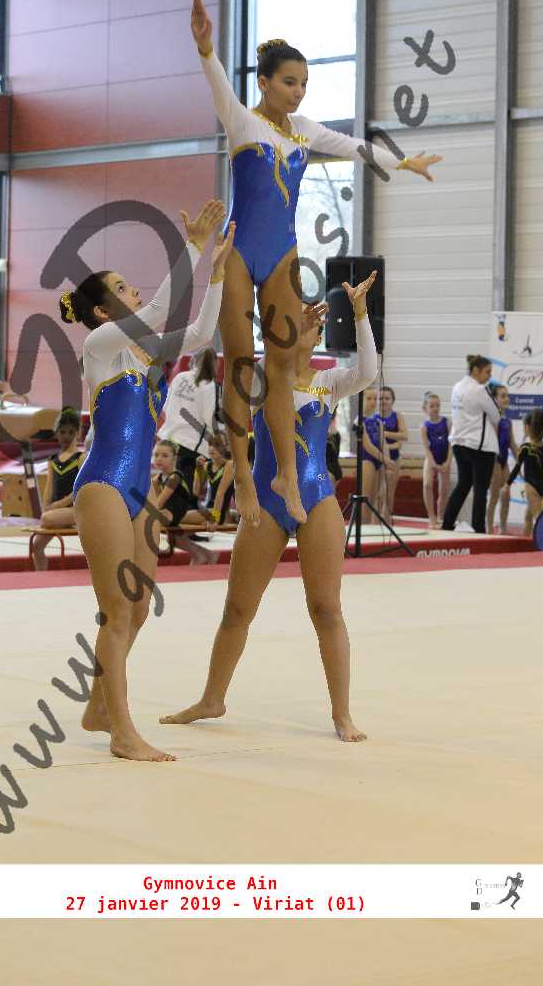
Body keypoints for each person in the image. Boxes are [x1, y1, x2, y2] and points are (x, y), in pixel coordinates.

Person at [190, 0, 441, 532]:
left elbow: (354, 147)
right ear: (264, 82)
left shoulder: (303, 129)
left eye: (303, 83)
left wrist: (404, 162)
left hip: (282, 252)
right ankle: (241, 473)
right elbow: (217, 87)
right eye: (289, 82)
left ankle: (285, 473)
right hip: (239, 252)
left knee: (282, 364)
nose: (298, 91)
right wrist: (206, 49)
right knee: (241, 365)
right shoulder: (242, 121)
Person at [160, 271, 379, 743]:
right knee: (238, 608)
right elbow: (242, 409)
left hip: (317, 497)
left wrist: (360, 312)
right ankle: (212, 698)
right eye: (300, 320)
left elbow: (368, 372)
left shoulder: (328, 382)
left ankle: (342, 713)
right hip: (266, 499)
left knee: (326, 607)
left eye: (316, 323)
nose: (312, 324)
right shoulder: (262, 375)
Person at [61, 200, 234, 762]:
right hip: (103, 485)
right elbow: (160, 307)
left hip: (136, 491)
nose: (133, 290)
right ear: (103, 309)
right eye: (122, 287)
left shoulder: (142, 354)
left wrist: (217, 276)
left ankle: (97, 705)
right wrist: (194, 244)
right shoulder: (99, 348)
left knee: (137, 609)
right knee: (117, 612)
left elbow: (201, 334)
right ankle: (122, 732)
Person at [441, 354, 501, 534]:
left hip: (459, 444)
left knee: (463, 484)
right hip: (479, 447)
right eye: (487, 372)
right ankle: (479, 529)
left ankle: (447, 523)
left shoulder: (457, 387)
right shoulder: (479, 390)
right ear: (476, 370)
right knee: (480, 490)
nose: (489, 376)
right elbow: (496, 416)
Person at [157, 346, 219, 494]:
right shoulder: (209, 385)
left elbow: (165, 407)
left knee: (166, 490)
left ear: (194, 360)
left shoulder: (180, 377)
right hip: (190, 446)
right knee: (184, 493)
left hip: (167, 440)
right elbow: (209, 418)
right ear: (214, 364)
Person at [151, 438, 217, 567]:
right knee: (176, 537)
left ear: (175, 458)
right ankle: (206, 554)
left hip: (180, 513)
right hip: (176, 515)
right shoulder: (157, 479)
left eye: (165, 456)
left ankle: (148, 552)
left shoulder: (175, 477)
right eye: (156, 455)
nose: (159, 459)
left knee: (147, 519)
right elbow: (156, 502)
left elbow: (159, 503)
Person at [31, 408, 83, 571]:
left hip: (75, 509)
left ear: (78, 433)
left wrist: (57, 506)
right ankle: (41, 576)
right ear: (56, 433)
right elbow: (49, 488)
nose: (66, 436)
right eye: (62, 432)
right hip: (56, 512)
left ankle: (56, 517)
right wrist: (46, 506)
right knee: (37, 546)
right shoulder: (53, 460)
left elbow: (79, 491)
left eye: (71, 432)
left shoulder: (80, 458)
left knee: (47, 518)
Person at [502, 407, 543, 538]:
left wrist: (507, 485)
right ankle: (526, 542)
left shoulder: (526, 448)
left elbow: (517, 468)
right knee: (528, 518)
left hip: (531, 487)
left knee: (538, 518)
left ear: (528, 428)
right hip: (542, 486)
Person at [486, 385, 520, 534]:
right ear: (494, 399)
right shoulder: (492, 419)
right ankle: (488, 529)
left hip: (504, 461)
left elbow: (512, 444)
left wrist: (520, 461)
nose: (507, 398)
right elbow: (491, 443)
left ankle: (503, 528)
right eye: (503, 396)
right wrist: (494, 464)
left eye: (507, 395)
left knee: (506, 495)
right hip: (494, 461)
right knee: (494, 496)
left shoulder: (507, 421)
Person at [376, 386, 407, 523]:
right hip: (378, 458)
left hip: (394, 458)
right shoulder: (374, 417)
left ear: (392, 400)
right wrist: (393, 442)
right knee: (378, 493)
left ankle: (387, 520)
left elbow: (404, 436)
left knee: (389, 492)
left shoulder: (397, 416)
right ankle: (376, 521)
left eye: (387, 398)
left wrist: (385, 434)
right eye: (381, 398)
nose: (384, 401)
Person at [420, 392, 451, 529]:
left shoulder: (447, 422)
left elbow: (451, 444)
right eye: (432, 406)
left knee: (444, 490)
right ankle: (431, 517)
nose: (435, 408)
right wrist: (433, 463)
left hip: (445, 458)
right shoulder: (424, 426)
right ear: (425, 408)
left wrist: (448, 462)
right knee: (427, 485)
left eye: (437, 405)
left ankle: (441, 516)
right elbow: (426, 448)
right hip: (431, 458)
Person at [357, 385, 385, 524]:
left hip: (379, 459)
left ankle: (372, 525)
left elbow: (382, 442)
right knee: (365, 497)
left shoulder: (378, 420)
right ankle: (363, 524)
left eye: (375, 399)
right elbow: (367, 445)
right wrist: (385, 459)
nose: (373, 402)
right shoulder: (359, 420)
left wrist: (385, 459)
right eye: (369, 399)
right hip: (367, 459)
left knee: (376, 497)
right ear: (362, 400)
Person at [198, 433, 235, 525]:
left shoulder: (229, 465)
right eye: (210, 444)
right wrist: (198, 469)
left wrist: (215, 518)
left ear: (226, 447)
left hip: (217, 511)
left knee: (178, 517)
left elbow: (220, 494)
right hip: (207, 508)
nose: (212, 448)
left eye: (217, 445)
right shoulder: (207, 465)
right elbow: (196, 491)